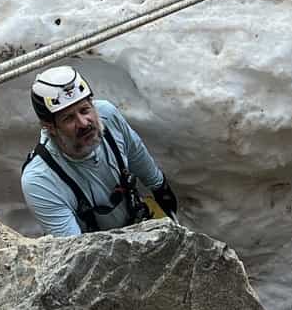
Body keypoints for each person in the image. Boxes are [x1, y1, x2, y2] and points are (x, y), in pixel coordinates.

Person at [20, 65, 179, 237]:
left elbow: (136, 154)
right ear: (50, 128)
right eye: (68, 118)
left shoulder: (107, 116)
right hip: (94, 249)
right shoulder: (40, 180)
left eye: (84, 110)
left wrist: (160, 188)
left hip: (137, 220)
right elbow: (75, 250)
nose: (83, 123)